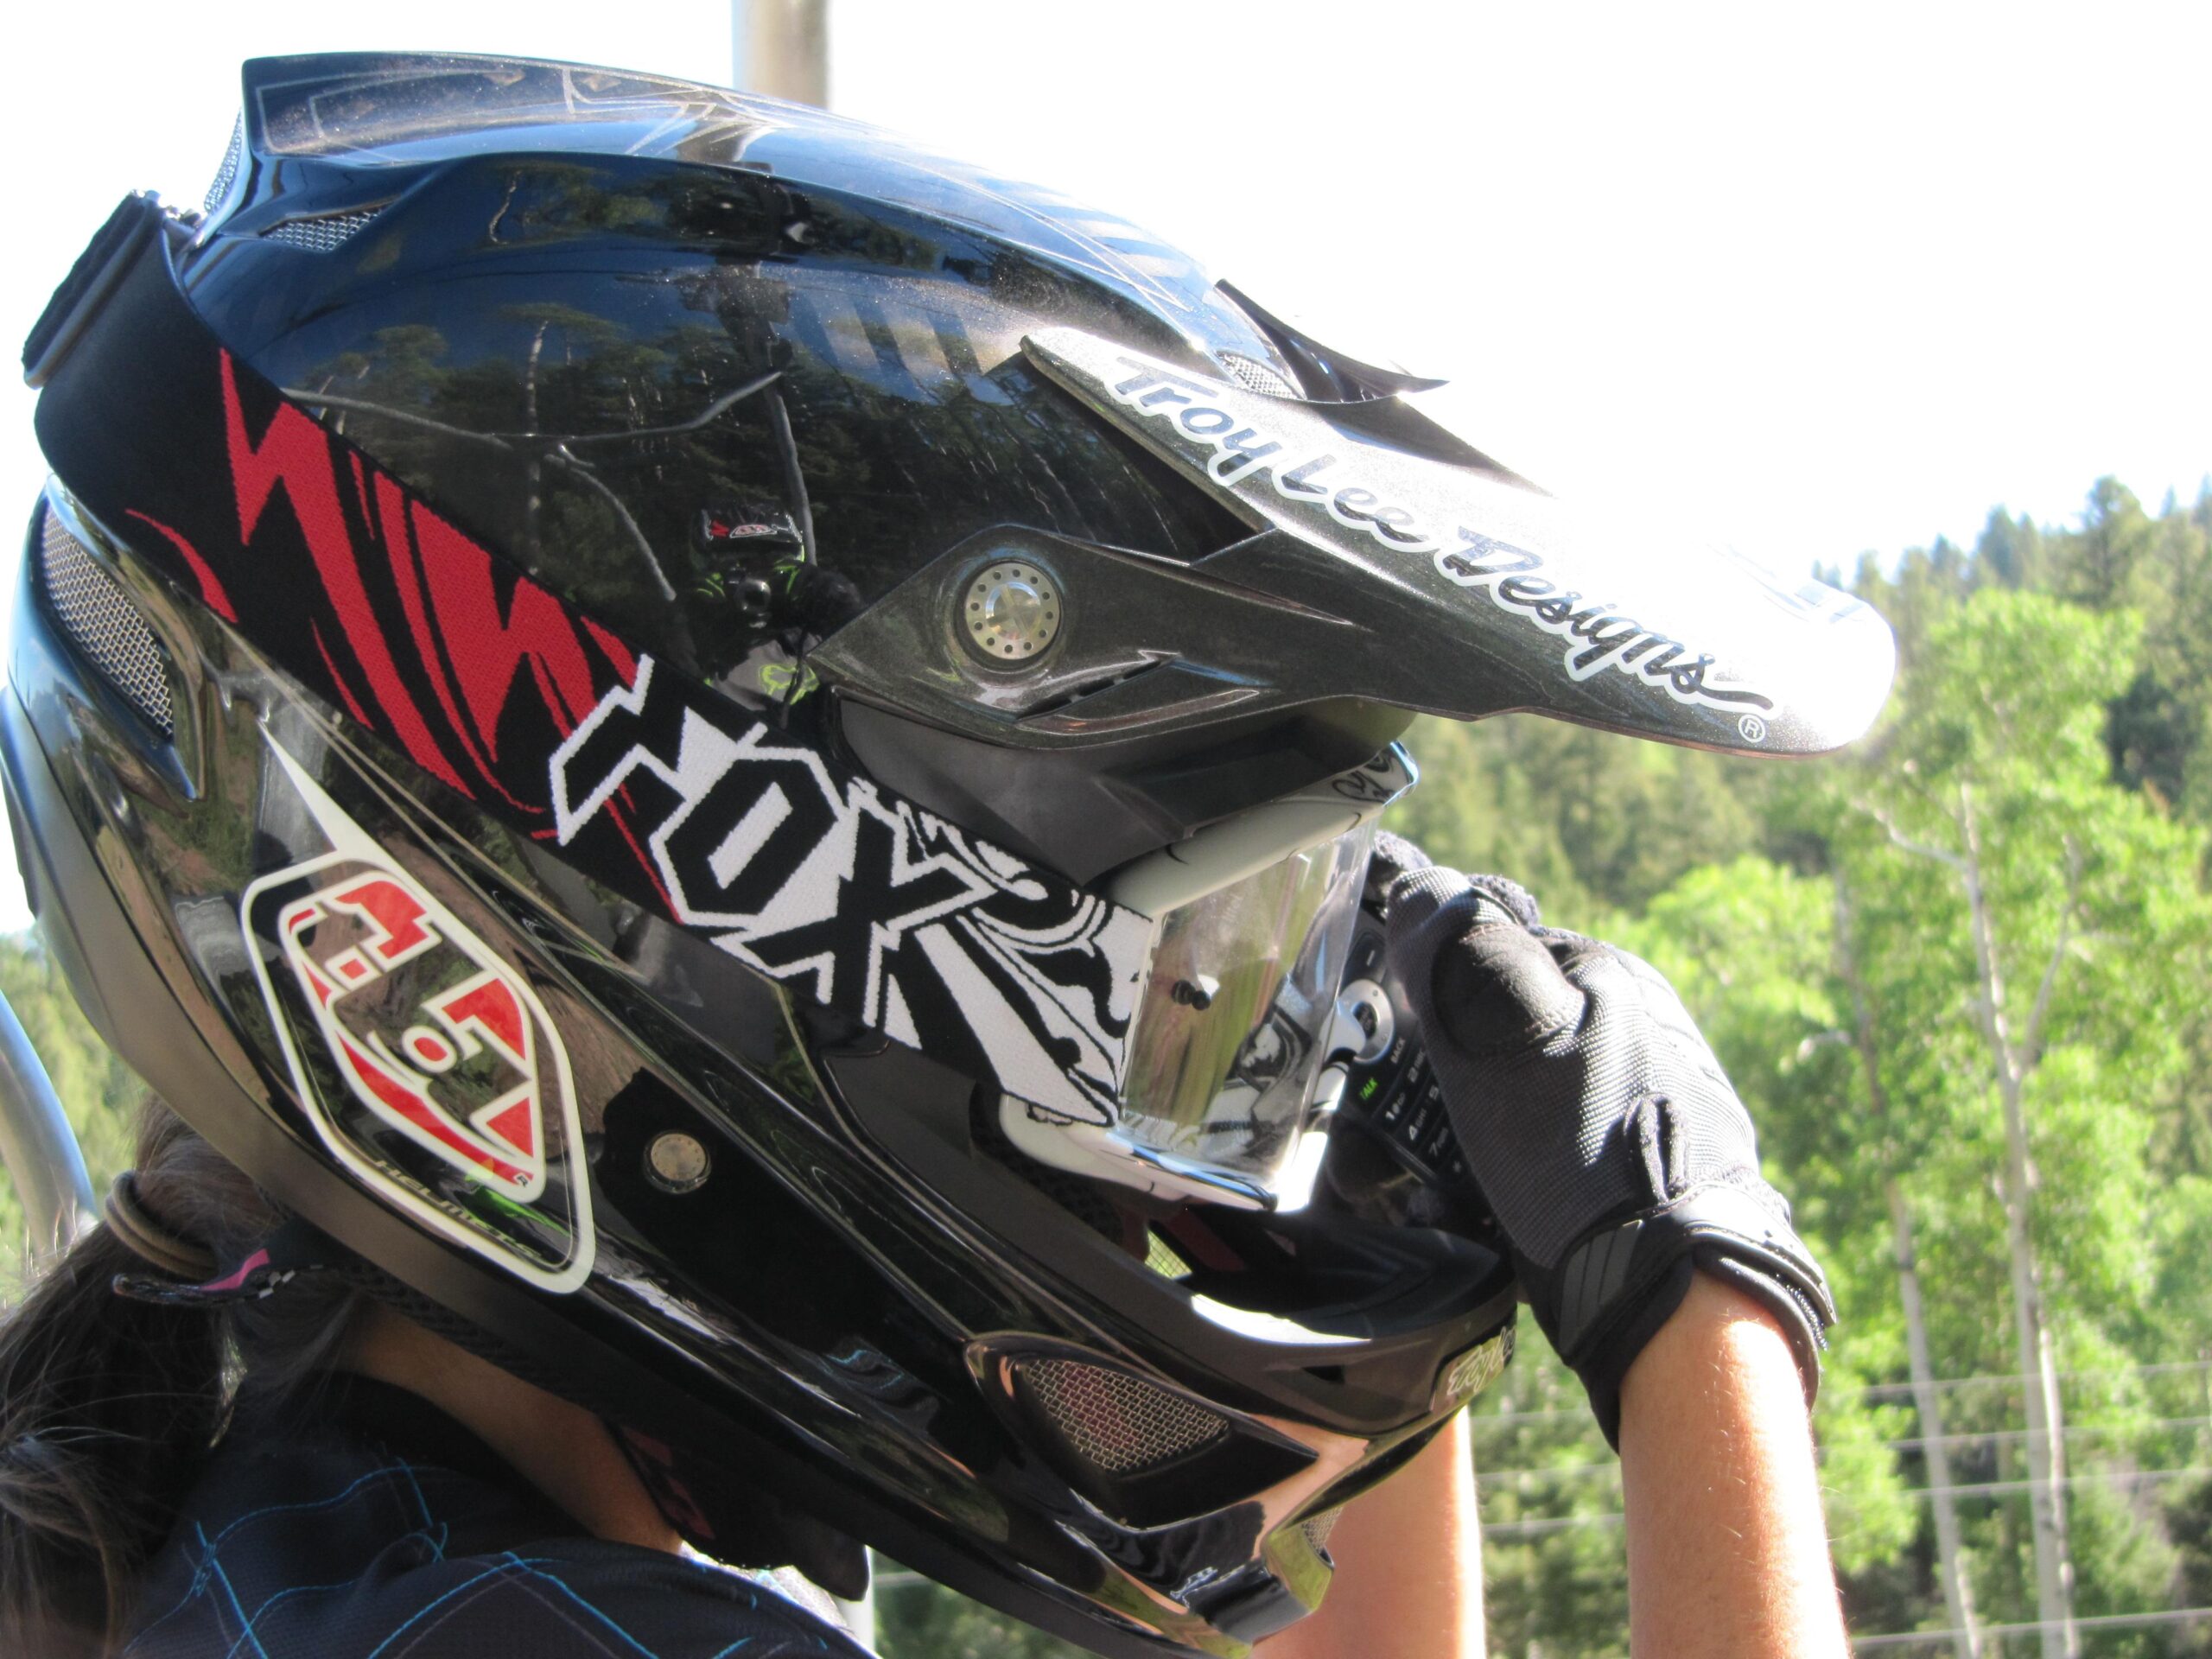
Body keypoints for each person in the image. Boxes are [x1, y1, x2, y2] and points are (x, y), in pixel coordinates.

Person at [0, 49, 1892, 1658]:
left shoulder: (293, 1563)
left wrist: (1381, 1250)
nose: (1267, 1056)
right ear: (679, 932)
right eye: (1193, 974)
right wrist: (1693, 1305)